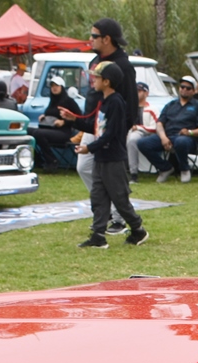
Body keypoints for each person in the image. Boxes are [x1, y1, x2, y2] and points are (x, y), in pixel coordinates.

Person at [62, 17, 137, 196]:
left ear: (107, 39)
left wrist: (122, 129)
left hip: (112, 128)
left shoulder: (123, 66)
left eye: (94, 36)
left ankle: (118, 216)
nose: (90, 39)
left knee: (113, 173)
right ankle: (105, 208)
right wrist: (80, 121)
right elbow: (92, 95)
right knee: (84, 167)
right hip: (93, 124)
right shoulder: (94, 61)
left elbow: (131, 102)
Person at [76, 61, 147, 247]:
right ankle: (98, 236)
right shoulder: (103, 102)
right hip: (101, 158)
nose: (93, 80)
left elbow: (111, 134)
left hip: (113, 159)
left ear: (107, 81)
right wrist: (71, 120)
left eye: (97, 77)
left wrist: (89, 148)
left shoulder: (116, 103)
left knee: (119, 198)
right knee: (98, 197)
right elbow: (95, 127)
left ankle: (138, 229)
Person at [137, 75, 198, 183]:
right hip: (168, 136)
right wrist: (163, 138)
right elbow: (160, 123)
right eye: (182, 86)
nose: (184, 89)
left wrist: (190, 132)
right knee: (142, 143)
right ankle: (165, 168)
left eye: (188, 88)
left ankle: (184, 169)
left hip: (187, 139)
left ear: (193, 91)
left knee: (181, 141)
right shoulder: (170, 105)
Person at [34, 75, 81, 169]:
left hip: (64, 132)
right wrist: (45, 117)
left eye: (56, 85)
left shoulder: (68, 101)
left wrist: (64, 122)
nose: (54, 88)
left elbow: (78, 117)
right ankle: (37, 159)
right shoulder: (52, 101)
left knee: (38, 133)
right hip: (50, 129)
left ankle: (52, 160)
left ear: (62, 87)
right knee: (28, 131)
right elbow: (53, 114)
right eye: (52, 86)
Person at [126, 82, 159, 182]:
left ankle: (133, 173)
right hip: (130, 131)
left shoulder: (152, 109)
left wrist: (139, 128)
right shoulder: (129, 108)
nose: (136, 93)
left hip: (145, 134)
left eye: (139, 91)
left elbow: (156, 127)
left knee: (132, 139)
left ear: (146, 93)